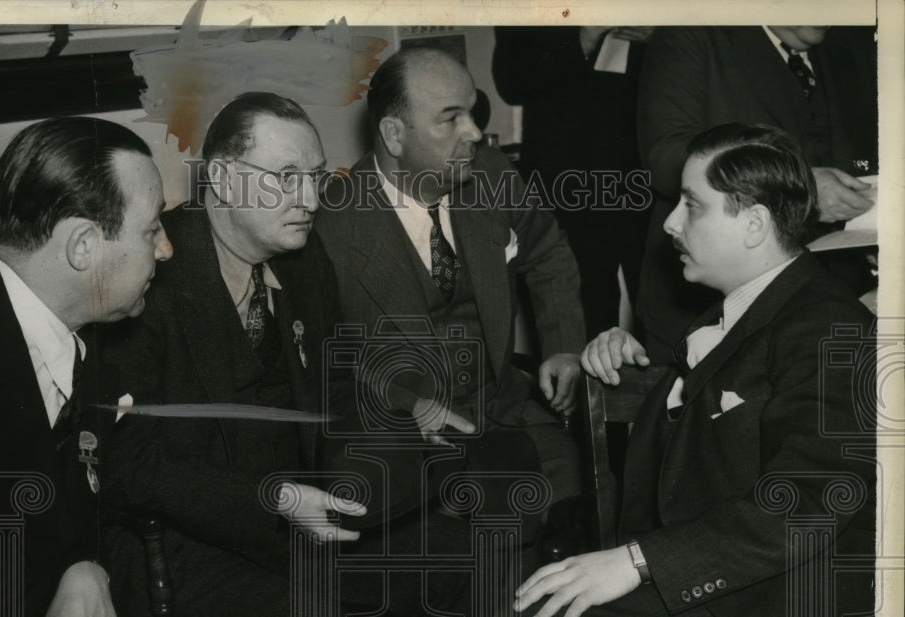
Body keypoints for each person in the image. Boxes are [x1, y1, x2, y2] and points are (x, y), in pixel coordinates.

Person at [428, 124, 875, 617]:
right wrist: (648, 374)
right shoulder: (737, 316)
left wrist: (637, 562)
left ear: (753, 224)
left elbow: (809, 501)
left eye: (691, 205)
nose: (668, 224)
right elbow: (698, 455)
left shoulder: (830, 325)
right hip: (733, 615)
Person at [102, 92, 476, 617]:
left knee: (452, 566)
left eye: (317, 177)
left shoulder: (303, 263)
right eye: (286, 178)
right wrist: (273, 498)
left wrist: (404, 406)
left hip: (298, 528)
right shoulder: (151, 279)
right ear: (219, 177)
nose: (309, 197)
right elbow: (132, 465)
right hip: (188, 552)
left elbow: (334, 380)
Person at [0, 116, 235, 617]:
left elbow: (76, 489)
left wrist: (83, 568)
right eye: (151, 229)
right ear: (82, 248)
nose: (167, 249)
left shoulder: (78, 335)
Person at [314, 46, 588, 541]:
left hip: (504, 410)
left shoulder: (489, 173)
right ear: (394, 135)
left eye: (473, 112)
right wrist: (405, 401)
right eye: (451, 119)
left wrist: (563, 343)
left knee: (587, 501)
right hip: (406, 438)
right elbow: (324, 359)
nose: (475, 133)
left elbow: (547, 252)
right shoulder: (331, 226)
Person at [636, 25, 878, 362]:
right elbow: (664, 156)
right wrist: (799, 185)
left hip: (836, 299)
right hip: (704, 306)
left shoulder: (854, 46)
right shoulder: (692, 34)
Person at [493, 25, 653, 337]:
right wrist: (582, 38)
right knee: (579, 319)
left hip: (651, 174)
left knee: (667, 316)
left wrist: (665, 35)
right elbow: (511, 80)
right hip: (569, 182)